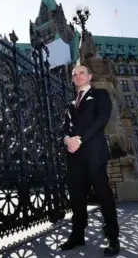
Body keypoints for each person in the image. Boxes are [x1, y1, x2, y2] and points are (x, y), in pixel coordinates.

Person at [59, 65, 120, 256]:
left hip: (94, 154)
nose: (78, 76)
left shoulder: (100, 94)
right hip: (74, 156)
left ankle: (112, 238)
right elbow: (64, 128)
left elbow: (102, 119)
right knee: (76, 198)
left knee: (104, 196)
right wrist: (67, 139)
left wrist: (80, 139)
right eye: (74, 74)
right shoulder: (70, 104)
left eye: (81, 73)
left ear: (90, 76)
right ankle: (77, 235)